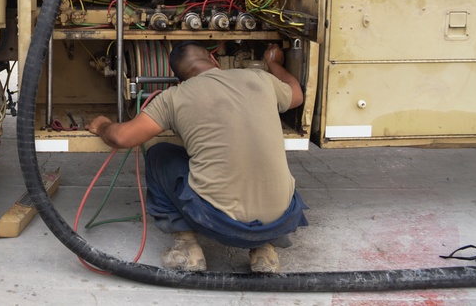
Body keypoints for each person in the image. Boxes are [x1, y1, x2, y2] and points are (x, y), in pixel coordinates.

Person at [85, 42, 308, 273]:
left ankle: (186, 249)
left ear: (179, 79)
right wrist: (273, 63)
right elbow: (296, 94)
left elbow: (122, 138)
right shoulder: (261, 78)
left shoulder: (173, 97)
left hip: (219, 224)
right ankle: (265, 249)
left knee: (160, 154)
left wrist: (103, 125)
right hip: (282, 221)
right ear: (214, 61)